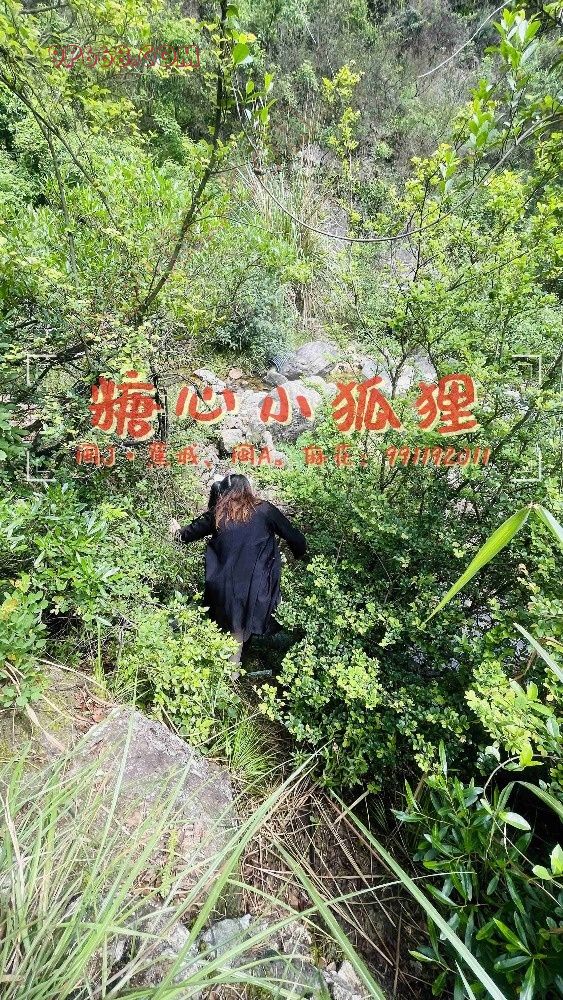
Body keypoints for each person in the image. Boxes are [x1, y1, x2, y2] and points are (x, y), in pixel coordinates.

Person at [169, 473, 307, 663]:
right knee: (240, 631)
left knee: (234, 630)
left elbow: (185, 535)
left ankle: (231, 667)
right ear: (248, 489)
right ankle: (232, 672)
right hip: (257, 587)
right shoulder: (265, 509)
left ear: (225, 492)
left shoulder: (218, 512)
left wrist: (176, 531)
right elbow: (296, 538)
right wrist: (300, 555)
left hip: (224, 586)